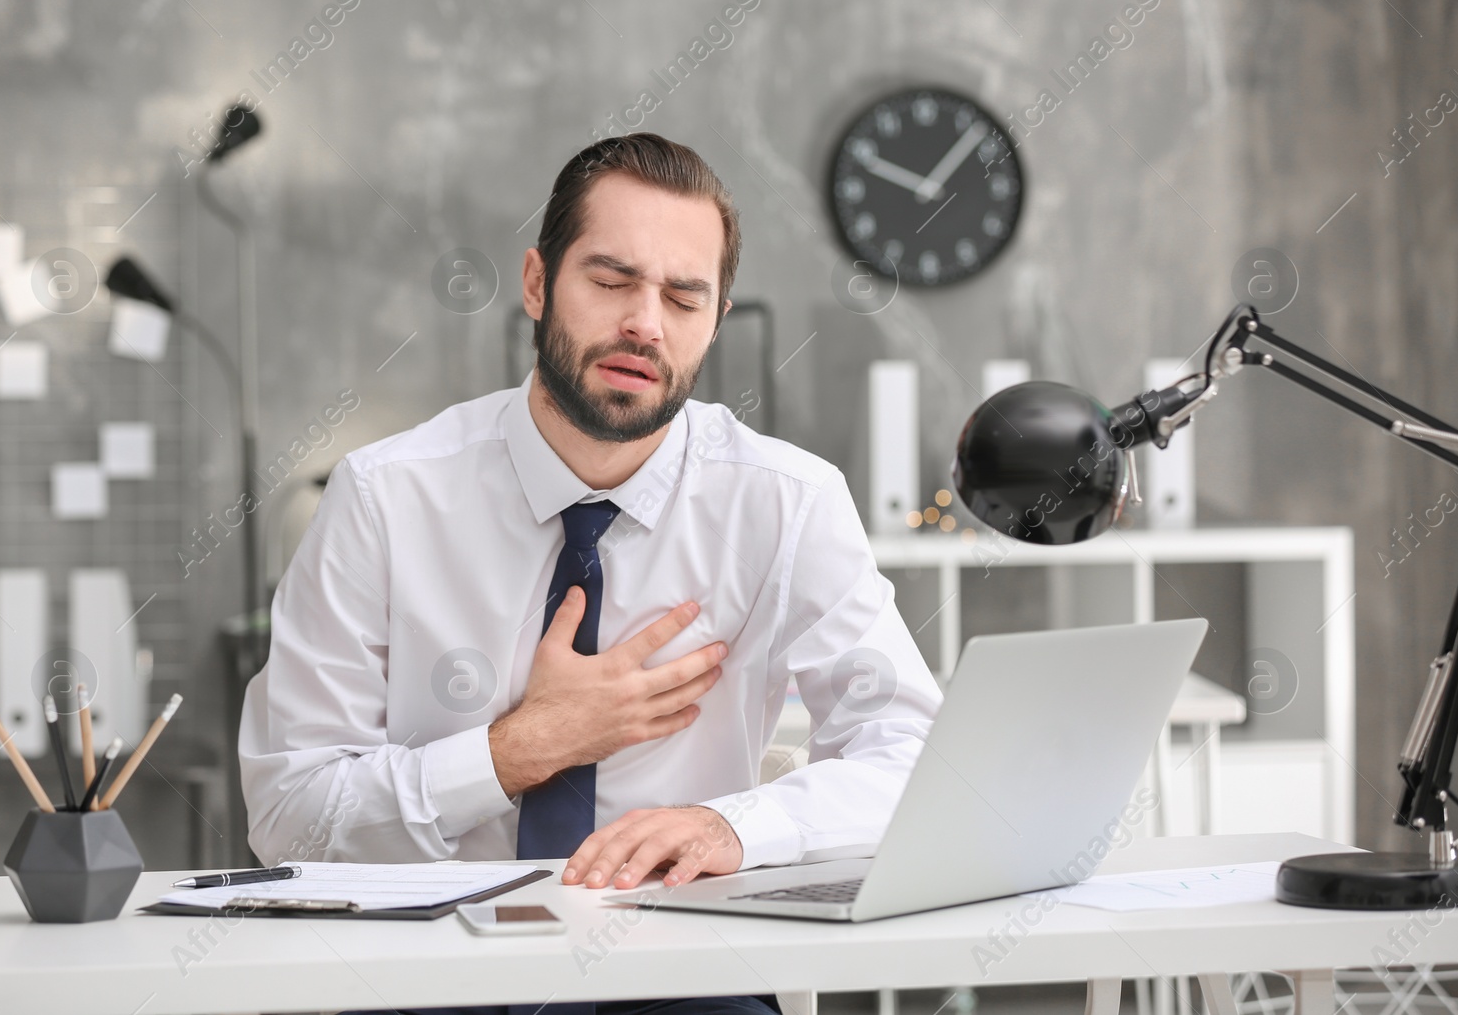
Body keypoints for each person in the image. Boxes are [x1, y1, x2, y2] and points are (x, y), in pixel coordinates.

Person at [238, 132, 943, 1015]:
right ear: (538, 283)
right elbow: (289, 811)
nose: (645, 323)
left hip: (679, 966)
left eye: (684, 296)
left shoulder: (788, 503)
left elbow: (915, 757)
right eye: (611, 281)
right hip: (427, 970)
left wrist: (732, 825)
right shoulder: (384, 498)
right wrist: (520, 749)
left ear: (716, 318)